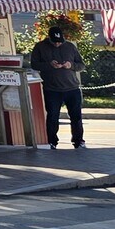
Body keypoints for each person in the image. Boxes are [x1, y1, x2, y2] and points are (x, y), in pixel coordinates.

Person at [29, 21, 86, 150]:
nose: (57, 43)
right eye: (54, 41)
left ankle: (78, 141)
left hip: (72, 88)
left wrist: (71, 65)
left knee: (76, 116)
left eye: (59, 41)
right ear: (49, 38)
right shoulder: (40, 47)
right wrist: (49, 64)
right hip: (52, 89)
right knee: (53, 116)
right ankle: (52, 141)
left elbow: (81, 65)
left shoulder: (70, 47)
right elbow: (34, 65)